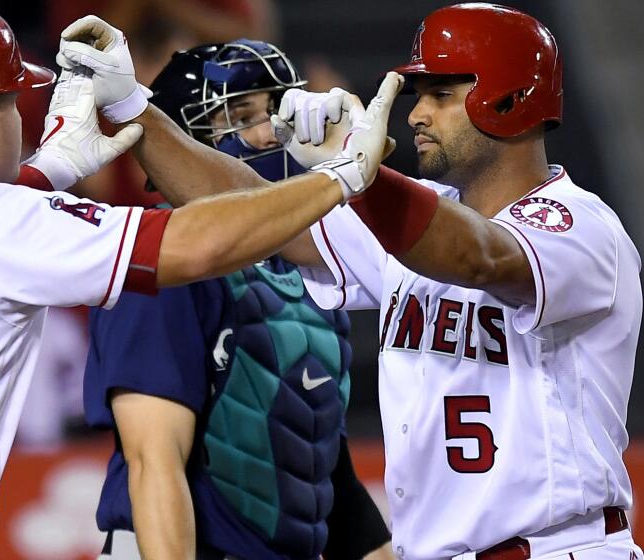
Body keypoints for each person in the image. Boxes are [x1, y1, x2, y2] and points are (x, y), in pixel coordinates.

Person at [0, 6, 401, 560]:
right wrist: (338, 179)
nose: (23, 117)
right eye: (12, 103)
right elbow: (198, 243)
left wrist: (48, 169)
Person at [57, 5, 641, 560]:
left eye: (441, 95)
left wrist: (362, 175)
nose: (415, 114)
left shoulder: (578, 226)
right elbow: (253, 211)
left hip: (557, 546)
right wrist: (134, 105)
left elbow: (480, 257)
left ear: (512, 99)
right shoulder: (420, 220)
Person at [84, 40, 391, 560]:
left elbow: (314, 459)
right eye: (244, 115)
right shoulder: (165, 261)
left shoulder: (314, 265)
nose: (273, 131)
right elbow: (153, 459)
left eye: (277, 109)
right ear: (184, 143)